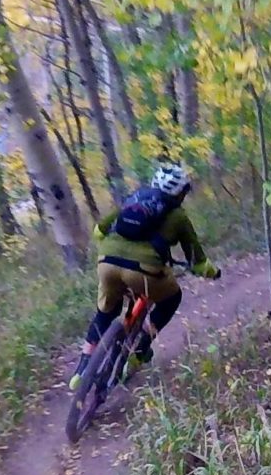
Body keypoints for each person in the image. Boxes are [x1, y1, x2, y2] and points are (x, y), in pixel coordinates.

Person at [74, 161, 219, 386]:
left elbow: (99, 230)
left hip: (106, 262)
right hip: (144, 271)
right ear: (180, 193)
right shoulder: (178, 216)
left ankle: (81, 369)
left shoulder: (134, 198)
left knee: (105, 312)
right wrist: (211, 272)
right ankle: (139, 353)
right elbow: (197, 261)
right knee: (172, 298)